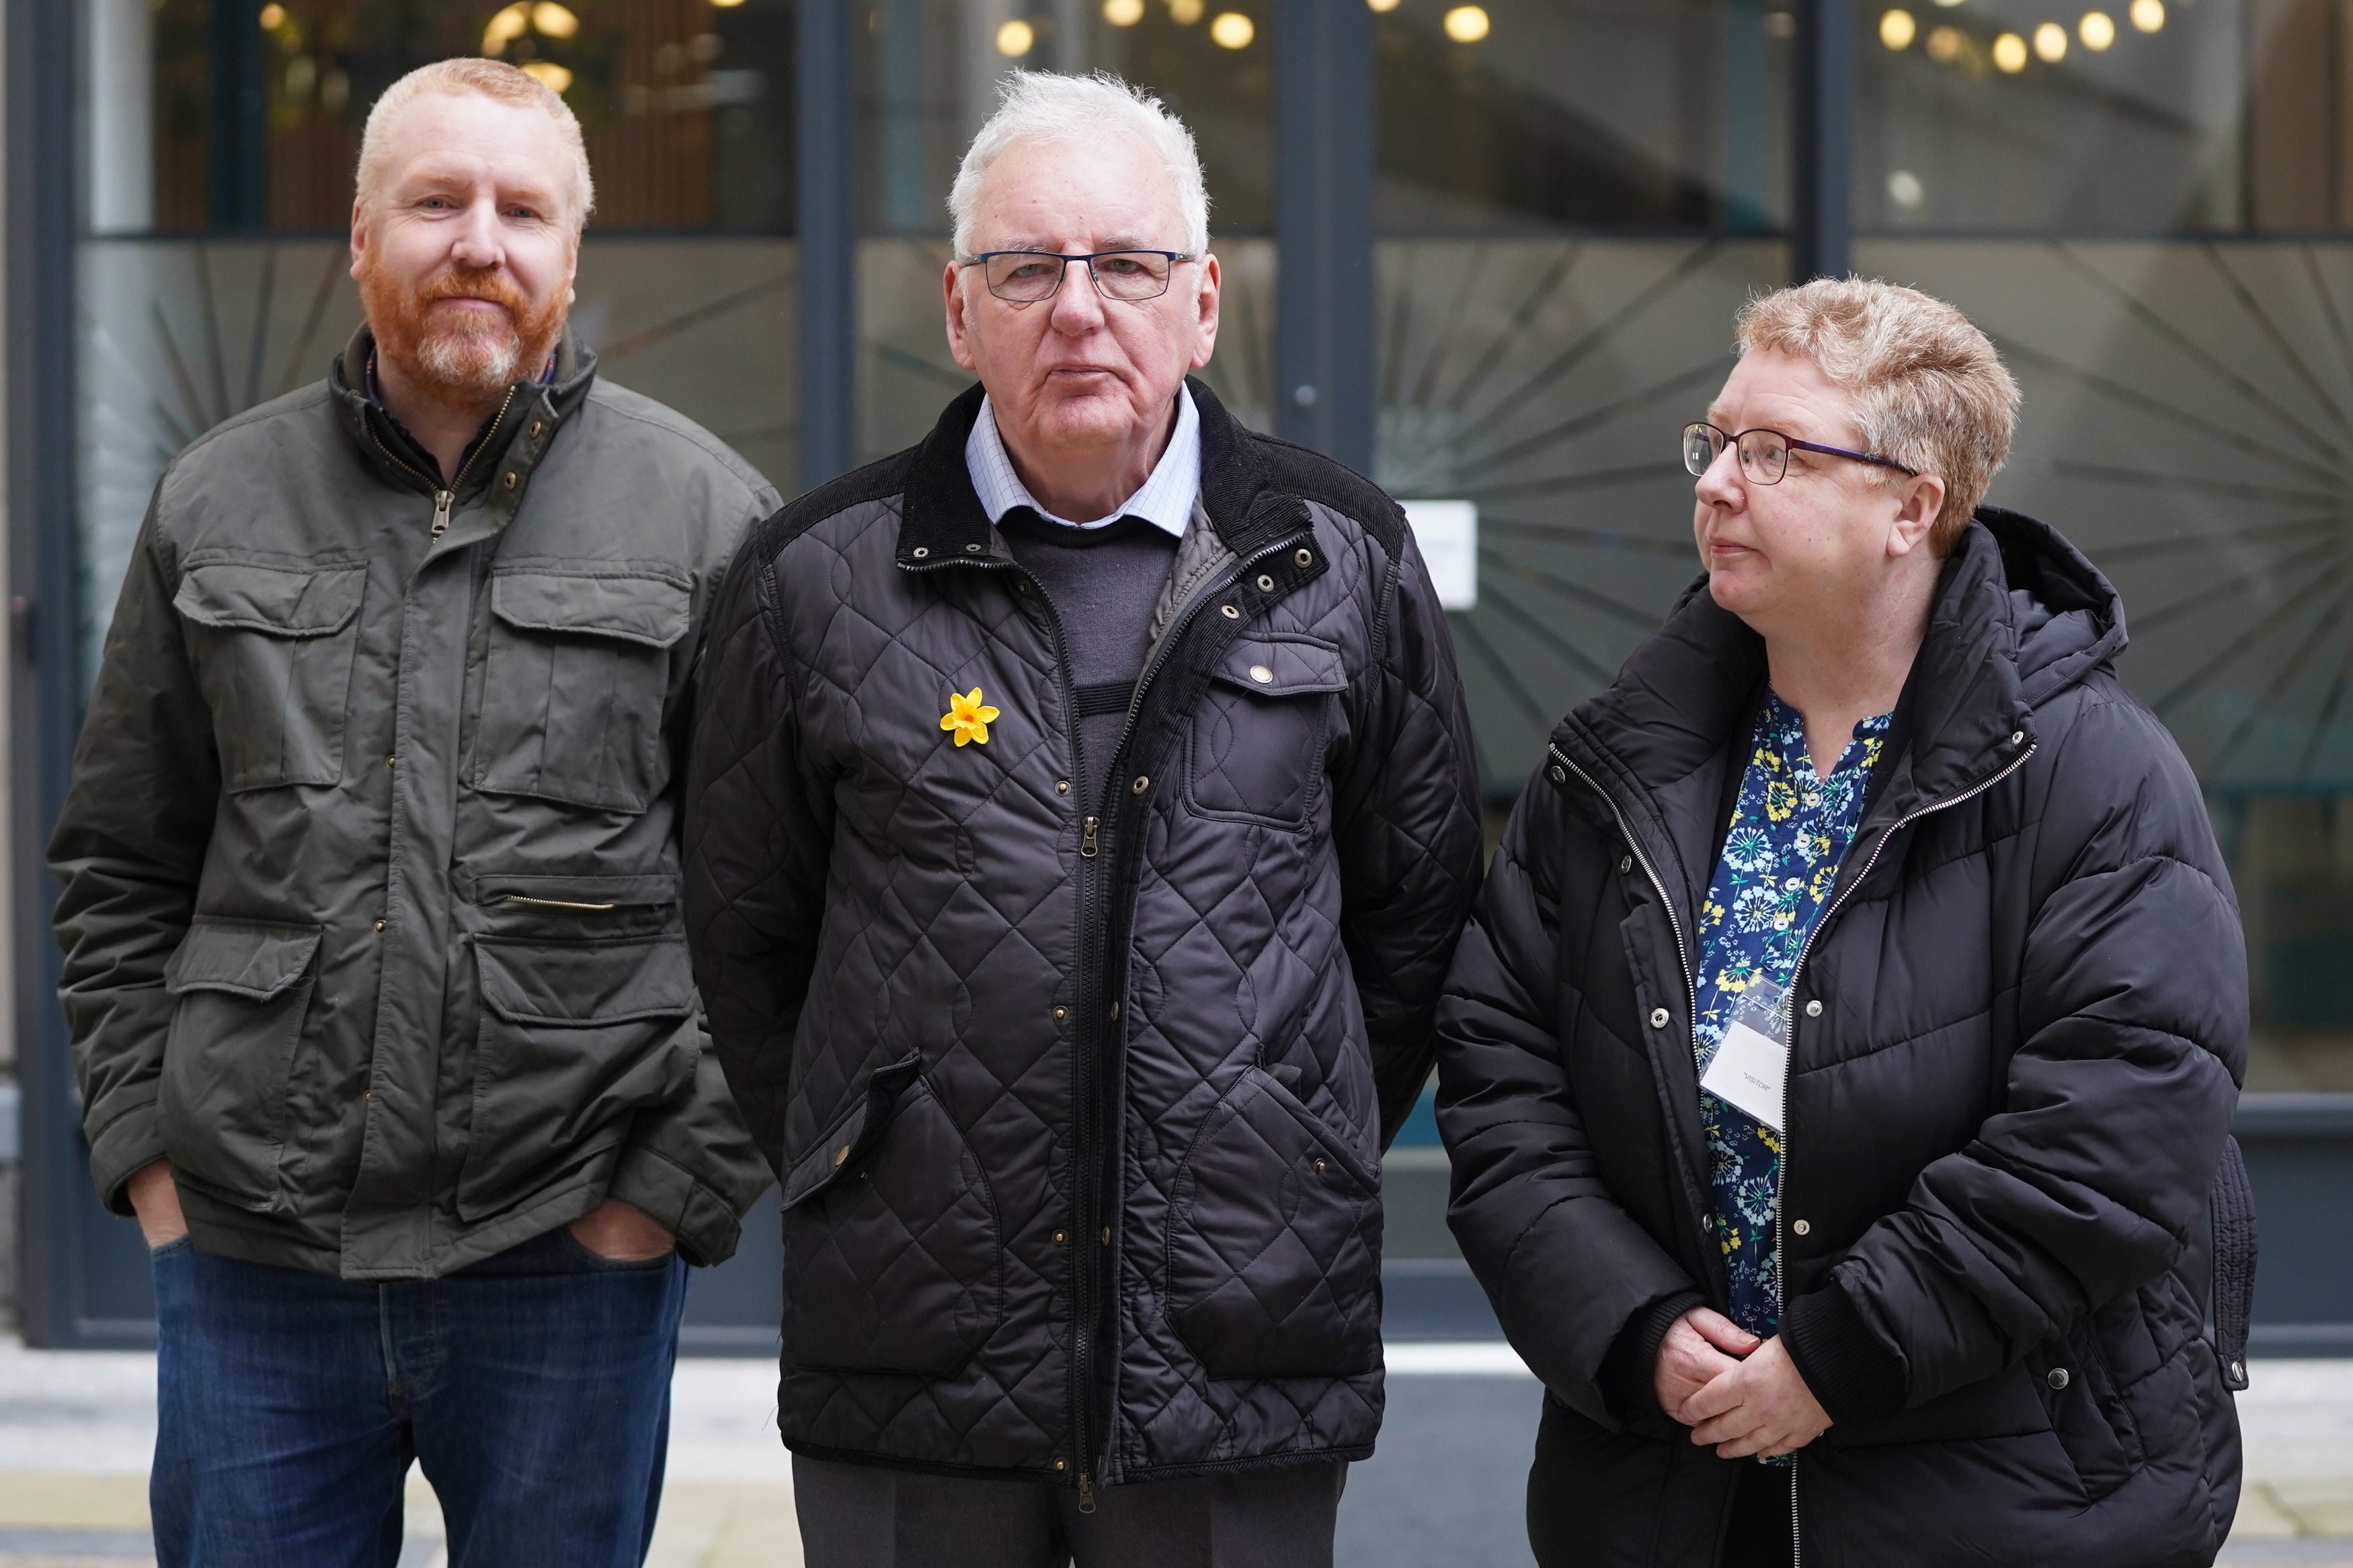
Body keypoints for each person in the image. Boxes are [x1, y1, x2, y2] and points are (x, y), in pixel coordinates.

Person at [682, 69, 1483, 1568]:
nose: (1076, 307)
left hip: (1236, 1331)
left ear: (1200, 305)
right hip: (914, 1339)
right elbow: (747, 934)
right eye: (1026, 268)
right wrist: (870, 1141)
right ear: (957, 309)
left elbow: (1416, 910)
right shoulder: (813, 577)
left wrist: (1285, 1131)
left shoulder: (1339, 557)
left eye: (1123, 265)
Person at [50, 58, 776, 1568]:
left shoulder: (707, 520)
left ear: (573, 254)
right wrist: (151, 1163)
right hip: (252, 1257)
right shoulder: (215, 503)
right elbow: (122, 863)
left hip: (566, 1253)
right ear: (361, 235)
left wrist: (656, 1202)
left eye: (523, 209)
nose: (479, 242)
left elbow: (782, 909)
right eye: (434, 201)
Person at [1435, 278, 2251, 1567]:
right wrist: (1635, 1326)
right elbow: (1500, 1072)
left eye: (1777, 453)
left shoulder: (2094, 774)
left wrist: (1837, 1357)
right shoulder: (1616, 766)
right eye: (1716, 442)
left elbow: (2115, 1128)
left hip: (2000, 1486)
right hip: (1670, 1481)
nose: (1717, 483)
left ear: (1911, 506)